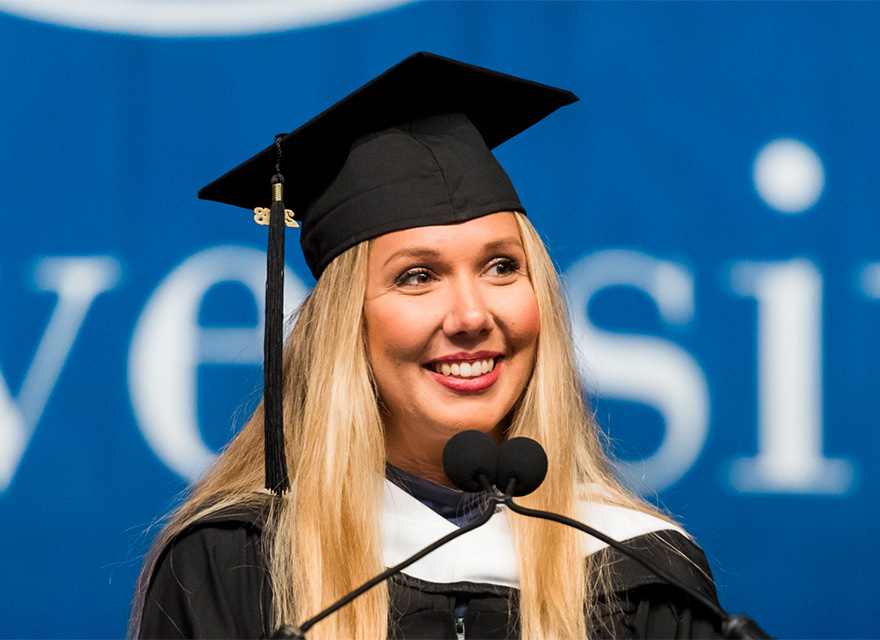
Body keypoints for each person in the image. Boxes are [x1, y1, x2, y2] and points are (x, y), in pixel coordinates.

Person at [130, 52, 724, 639]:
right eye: (417, 276)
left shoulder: (640, 571)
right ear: (346, 327)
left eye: (500, 266)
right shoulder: (235, 565)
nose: (471, 315)